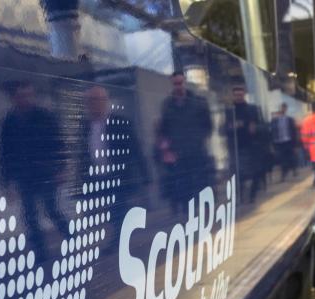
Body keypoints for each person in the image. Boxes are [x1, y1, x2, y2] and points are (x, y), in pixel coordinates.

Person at [0, 81, 70, 261]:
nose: (26, 99)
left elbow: (59, 143)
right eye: (21, 96)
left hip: (46, 174)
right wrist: (7, 184)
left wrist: (61, 168)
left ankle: (72, 238)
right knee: (30, 216)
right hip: (24, 176)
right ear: (13, 98)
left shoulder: (44, 116)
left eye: (29, 95)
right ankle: (41, 253)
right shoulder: (9, 122)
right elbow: (5, 154)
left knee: (51, 209)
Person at [81, 86, 149, 251]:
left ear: (106, 102)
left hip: (118, 176)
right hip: (97, 177)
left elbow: (136, 149)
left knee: (117, 209)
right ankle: (119, 236)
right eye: (91, 101)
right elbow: (83, 154)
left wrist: (146, 175)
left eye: (99, 100)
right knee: (109, 211)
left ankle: (118, 242)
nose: (95, 104)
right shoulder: (85, 127)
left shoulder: (121, 123)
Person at [156, 71, 213, 214]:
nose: (178, 86)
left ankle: (205, 209)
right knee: (184, 183)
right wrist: (166, 148)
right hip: (178, 154)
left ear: (185, 82)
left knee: (200, 181)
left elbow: (208, 126)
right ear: (172, 84)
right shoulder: (167, 105)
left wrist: (198, 139)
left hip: (197, 150)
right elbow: (163, 128)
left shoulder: (198, 102)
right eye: (175, 83)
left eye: (180, 83)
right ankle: (189, 213)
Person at [225, 85, 264, 202]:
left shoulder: (253, 109)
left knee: (256, 171)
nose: (238, 97)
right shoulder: (229, 111)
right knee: (237, 174)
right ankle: (240, 196)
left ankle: (252, 195)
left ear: (244, 94)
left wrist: (255, 127)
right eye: (236, 95)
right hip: (236, 147)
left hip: (252, 146)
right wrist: (231, 127)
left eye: (240, 95)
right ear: (233, 96)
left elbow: (263, 126)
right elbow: (223, 128)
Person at [271, 103, 297, 181]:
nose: (283, 109)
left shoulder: (290, 119)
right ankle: (284, 174)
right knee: (282, 158)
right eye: (282, 108)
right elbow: (272, 131)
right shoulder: (274, 120)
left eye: (284, 108)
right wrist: (273, 143)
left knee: (290, 157)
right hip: (279, 142)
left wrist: (295, 143)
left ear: (286, 109)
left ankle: (293, 169)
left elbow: (294, 131)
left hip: (288, 141)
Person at [300, 102, 315, 186]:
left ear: (312, 109)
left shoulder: (307, 121)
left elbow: (305, 136)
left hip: (314, 150)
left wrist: (306, 147)